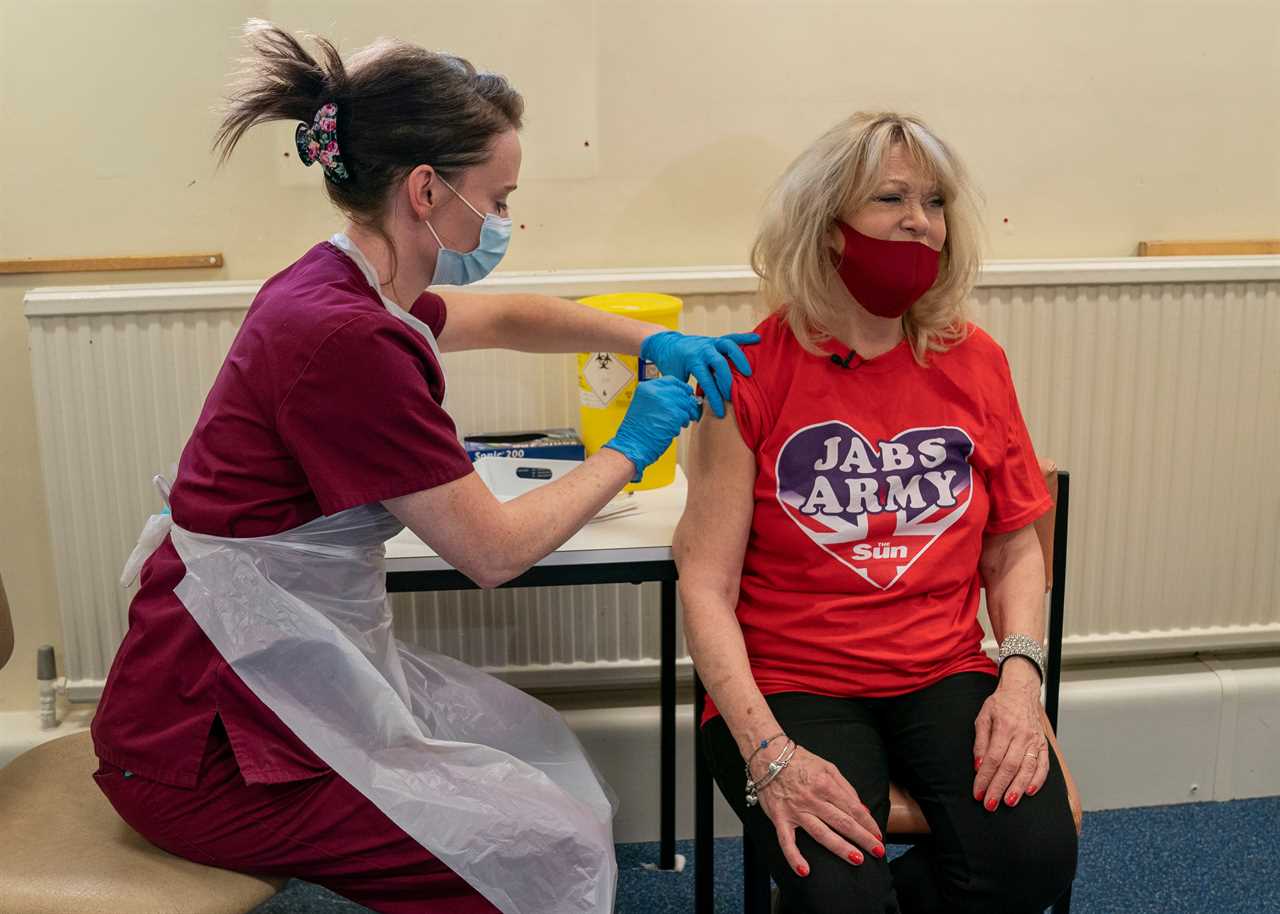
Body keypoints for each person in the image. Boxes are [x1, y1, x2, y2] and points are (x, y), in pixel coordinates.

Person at [91, 21, 757, 914]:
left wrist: (655, 336)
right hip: (206, 747)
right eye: (502, 197)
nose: (506, 222)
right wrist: (629, 449)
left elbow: (507, 321)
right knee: (535, 847)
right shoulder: (345, 338)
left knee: (543, 759)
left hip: (264, 673)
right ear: (426, 189)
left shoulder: (344, 285)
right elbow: (495, 552)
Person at [674, 112, 1079, 913]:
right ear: (828, 228)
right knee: (838, 897)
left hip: (940, 668)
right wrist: (767, 752)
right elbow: (705, 587)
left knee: (1032, 860)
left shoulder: (977, 360)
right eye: (891, 197)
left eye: (933, 202)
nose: (919, 221)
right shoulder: (750, 372)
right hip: (789, 680)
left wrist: (1020, 678)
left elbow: (1015, 546)